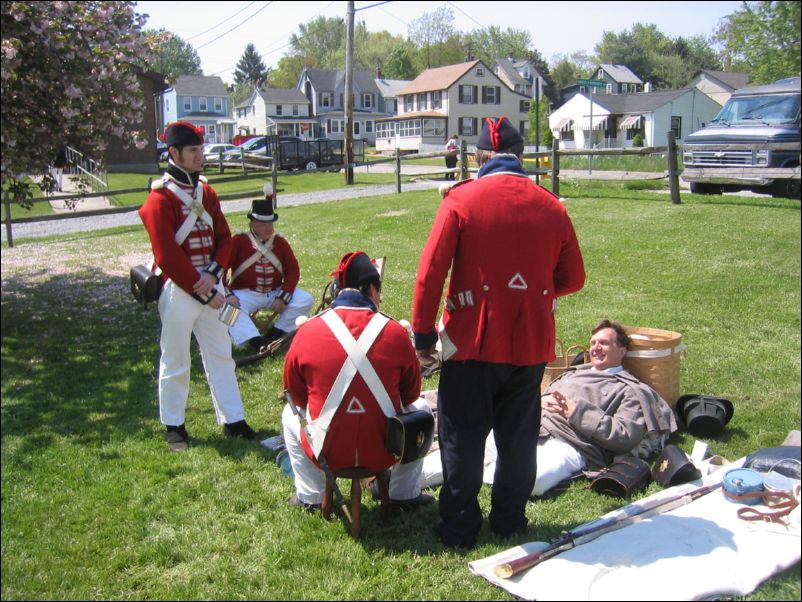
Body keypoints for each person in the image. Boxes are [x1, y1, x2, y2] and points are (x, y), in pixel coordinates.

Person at [411, 115, 586, 549]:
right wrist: (528, 295)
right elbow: (574, 277)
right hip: (529, 344)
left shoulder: (461, 200)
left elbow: (430, 275)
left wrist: (423, 337)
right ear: (520, 155)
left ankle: (459, 526)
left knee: (462, 437)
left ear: (480, 157)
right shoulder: (552, 204)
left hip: (472, 341)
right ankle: (509, 520)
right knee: (519, 438)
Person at [419, 320, 678, 496]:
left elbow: (623, 437)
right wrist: (538, 402)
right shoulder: (573, 372)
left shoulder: (630, 390)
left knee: (532, 483)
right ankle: (408, 483)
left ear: (622, 351)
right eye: (594, 343)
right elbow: (537, 396)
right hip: (533, 425)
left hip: (571, 443)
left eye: (604, 343)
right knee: (464, 455)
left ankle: (488, 470)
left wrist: (576, 410)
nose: (596, 348)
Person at [282, 251, 434, 512]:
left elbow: (296, 397)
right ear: (370, 289)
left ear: (337, 289)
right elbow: (410, 396)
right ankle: (403, 494)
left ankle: (311, 496)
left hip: (326, 451)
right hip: (384, 450)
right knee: (420, 410)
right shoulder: (395, 331)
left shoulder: (308, 331)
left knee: (289, 413)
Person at [138, 121, 257, 452]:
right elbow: (167, 254)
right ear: (174, 153)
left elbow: (225, 239)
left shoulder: (207, 192)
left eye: (201, 149)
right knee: (175, 358)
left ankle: (233, 419)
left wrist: (216, 272)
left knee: (221, 353)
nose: (200, 156)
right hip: (179, 290)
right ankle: (174, 425)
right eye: (193, 151)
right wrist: (204, 288)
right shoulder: (159, 199)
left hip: (212, 285)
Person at [224, 186, 314, 351]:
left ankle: (275, 335)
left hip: (275, 292)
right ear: (252, 223)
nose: (268, 228)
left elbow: (293, 270)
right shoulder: (238, 241)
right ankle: (255, 342)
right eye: (263, 224)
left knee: (305, 299)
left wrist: (283, 297)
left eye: (270, 224)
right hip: (245, 293)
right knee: (226, 309)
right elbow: (221, 269)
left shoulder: (280, 243)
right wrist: (227, 294)